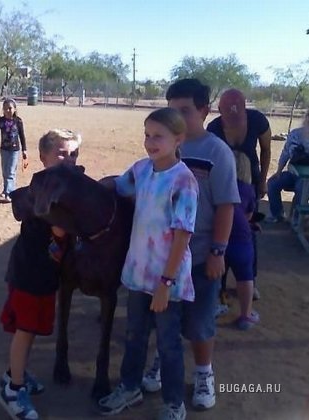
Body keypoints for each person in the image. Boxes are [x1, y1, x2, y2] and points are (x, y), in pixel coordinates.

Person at [142, 79, 240, 411]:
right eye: (172, 110)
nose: (177, 117)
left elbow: (227, 205)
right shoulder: (166, 145)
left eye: (185, 110)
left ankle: (203, 374)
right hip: (165, 258)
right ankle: (163, 362)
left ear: (204, 110)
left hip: (199, 256)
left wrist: (217, 251)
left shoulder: (217, 152)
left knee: (200, 322)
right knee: (165, 317)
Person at [98, 107, 199, 420]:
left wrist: (165, 285)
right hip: (138, 275)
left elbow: (182, 237)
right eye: (147, 135)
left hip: (165, 280)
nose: (151, 142)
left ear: (178, 139)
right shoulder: (141, 170)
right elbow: (119, 185)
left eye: (159, 136)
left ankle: (173, 404)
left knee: (168, 344)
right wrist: (90, 186)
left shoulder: (183, 181)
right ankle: (130, 387)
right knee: (134, 336)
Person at [0, 129, 82, 420]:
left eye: (73, 154)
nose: (68, 159)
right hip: (29, 270)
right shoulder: (45, 186)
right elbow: (59, 229)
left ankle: (14, 374)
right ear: (43, 157)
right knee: (25, 329)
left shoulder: (62, 183)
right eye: (60, 153)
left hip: (44, 271)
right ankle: (13, 390)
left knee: (31, 328)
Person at [207, 88, 272, 300]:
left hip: (249, 182)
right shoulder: (214, 128)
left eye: (238, 108)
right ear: (219, 109)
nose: (234, 113)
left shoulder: (257, 120)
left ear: (245, 106)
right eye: (229, 109)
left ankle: (249, 280)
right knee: (220, 232)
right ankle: (220, 285)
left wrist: (262, 180)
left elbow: (266, 149)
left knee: (248, 231)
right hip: (223, 184)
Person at [223, 151, 260, 330]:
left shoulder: (219, 185)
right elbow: (247, 215)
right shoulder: (248, 189)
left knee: (215, 276)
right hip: (241, 238)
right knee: (245, 277)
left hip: (218, 238)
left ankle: (215, 305)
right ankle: (246, 315)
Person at [266, 110, 309, 223]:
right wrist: (279, 171)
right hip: (292, 172)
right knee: (272, 183)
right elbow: (285, 153)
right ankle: (277, 214)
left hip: (306, 178)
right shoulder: (295, 134)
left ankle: (297, 218)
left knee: (302, 187)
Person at [0, 98, 28, 202]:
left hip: (14, 150)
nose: (8, 110)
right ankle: (5, 189)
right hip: (4, 150)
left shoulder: (18, 121)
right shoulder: (0, 121)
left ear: (15, 109)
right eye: (5, 109)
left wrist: (24, 150)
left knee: (11, 172)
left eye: (10, 108)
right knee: (5, 171)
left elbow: (22, 136)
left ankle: (10, 193)